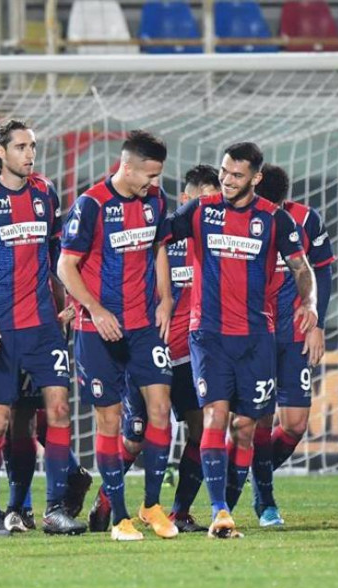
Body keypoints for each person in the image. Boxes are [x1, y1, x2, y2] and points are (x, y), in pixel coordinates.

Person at [165, 142, 318, 538]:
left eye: (236, 174)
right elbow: (159, 237)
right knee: (215, 417)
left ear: (256, 177)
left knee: (247, 426)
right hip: (209, 335)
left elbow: (301, 267)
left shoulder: (274, 218)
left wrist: (309, 304)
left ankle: (231, 505)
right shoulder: (200, 210)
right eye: (224, 172)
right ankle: (219, 511)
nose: (227, 180)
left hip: (256, 338)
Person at [0, 119, 85, 537]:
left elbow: (57, 255)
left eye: (32, 146)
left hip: (43, 327)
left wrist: (69, 302)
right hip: (0, 328)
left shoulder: (46, 193)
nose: (30, 154)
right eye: (21, 147)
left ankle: (54, 510)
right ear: (1, 152)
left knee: (58, 410)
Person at [87, 165, 221, 534]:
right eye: (204, 201)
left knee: (201, 427)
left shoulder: (213, 241)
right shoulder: (156, 235)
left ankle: (179, 511)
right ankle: (106, 500)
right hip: (150, 348)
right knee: (135, 437)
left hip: (190, 357)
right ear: (187, 199)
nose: (211, 209)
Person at [59, 130, 177, 542]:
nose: (154, 182)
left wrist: (165, 299)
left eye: (158, 175)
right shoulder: (91, 205)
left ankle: (151, 506)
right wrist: (94, 309)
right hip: (97, 330)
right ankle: (120, 518)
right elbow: (65, 266)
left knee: (160, 409)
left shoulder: (155, 200)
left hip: (143, 326)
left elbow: (158, 249)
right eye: (149, 174)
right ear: (126, 166)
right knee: (109, 421)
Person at [244, 164, 335, 527]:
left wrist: (318, 323)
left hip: (296, 333)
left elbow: (322, 270)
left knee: (295, 424)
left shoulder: (307, 220)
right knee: (260, 421)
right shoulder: (238, 219)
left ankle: (253, 471)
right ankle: (265, 501)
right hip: (255, 333)